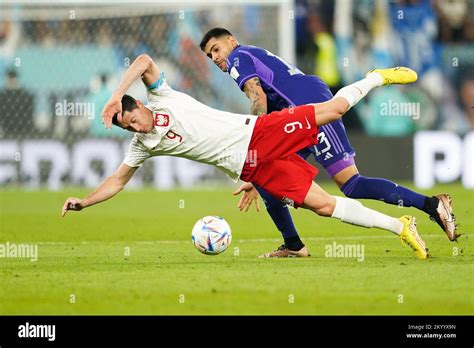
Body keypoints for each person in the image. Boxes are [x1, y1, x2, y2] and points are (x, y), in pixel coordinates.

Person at [62, 53, 430, 260]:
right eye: (128, 127)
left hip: (258, 132)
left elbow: (143, 60)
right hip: (251, 165)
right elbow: (117, 180)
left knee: (331, 110)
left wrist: (114, 96)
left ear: (139, 104)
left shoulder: (162, 97)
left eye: (132, 119)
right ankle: (400, 227)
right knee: (323, 206)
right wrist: (85, 202)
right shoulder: (144, 145)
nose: (136, 128)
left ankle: (375, 78)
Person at [199, 27, 458, 258]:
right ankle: (293, 245)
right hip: (295, 117)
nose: (215, 58)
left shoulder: (237, 57)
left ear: (231, 41)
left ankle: (432, 205)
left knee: (352, 184)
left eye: (216, 49)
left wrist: (254, 146)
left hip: (308, 110)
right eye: (210, 56)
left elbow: (258, 100)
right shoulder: (246, 55)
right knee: (266, 178)